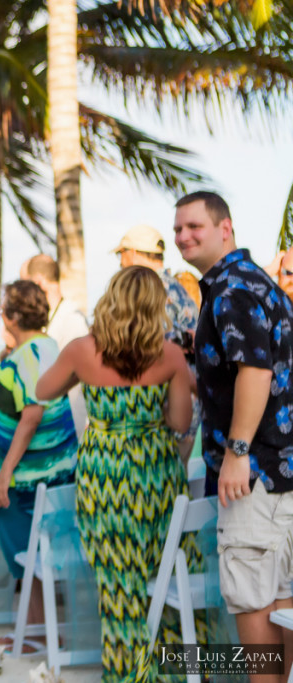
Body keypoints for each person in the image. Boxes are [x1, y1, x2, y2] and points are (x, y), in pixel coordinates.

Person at [36, 266, 195, 682]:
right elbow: (180, 422)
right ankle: (176, 670)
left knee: (118, 582)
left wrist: (81, 374)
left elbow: (42, 391)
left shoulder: (80, 350)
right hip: (156, 473)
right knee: (165, 572)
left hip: (104, 476)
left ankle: (128, 672)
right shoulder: (170, 354)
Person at [175, 191, 293, 680]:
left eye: (194, 227)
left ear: (226, 228)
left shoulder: (230, 290)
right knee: (279, 599)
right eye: (178, 228)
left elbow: (255, 370)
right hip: (280, 473)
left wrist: (237, 452)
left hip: (254, 477)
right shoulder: (258, 283)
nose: (183, 236)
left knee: (252, 601)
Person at [0, 280, 77, 648]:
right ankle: (36, 630)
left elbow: (32, 415)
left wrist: (4, 474)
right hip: (40, 472)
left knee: (30, 555)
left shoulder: (33, 353)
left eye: (4, 309)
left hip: (27, 477)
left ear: (13, 316)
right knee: (33, 555)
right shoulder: (44, 347)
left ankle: (42, 633)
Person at [113, 224, 201, 461]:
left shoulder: (145, 292)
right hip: (186, 409)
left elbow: (148, 351)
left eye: (121, 254)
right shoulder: (179, 290)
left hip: (160, 416)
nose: (120, 262)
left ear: (132, 253)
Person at [21, 254, 88, 438]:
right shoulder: (48, 317)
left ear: (39, 282)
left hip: (70, 428)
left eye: (25, 285)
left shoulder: (72, 320)